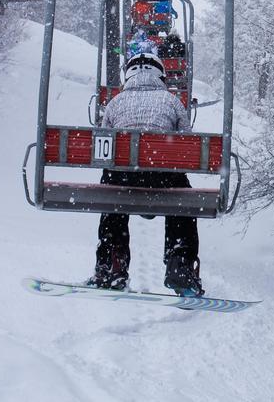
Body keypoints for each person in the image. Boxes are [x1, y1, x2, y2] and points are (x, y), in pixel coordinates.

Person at [87, 50, 204, 297]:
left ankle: (111, 264)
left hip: (123, 180)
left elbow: (103, 147)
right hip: (164, 179)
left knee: (111, 192)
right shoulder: (171, 101)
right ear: (160, 75)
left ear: (128, 75)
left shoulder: (115, 102)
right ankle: (180, 265)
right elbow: (187, 144)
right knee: (183, 201)